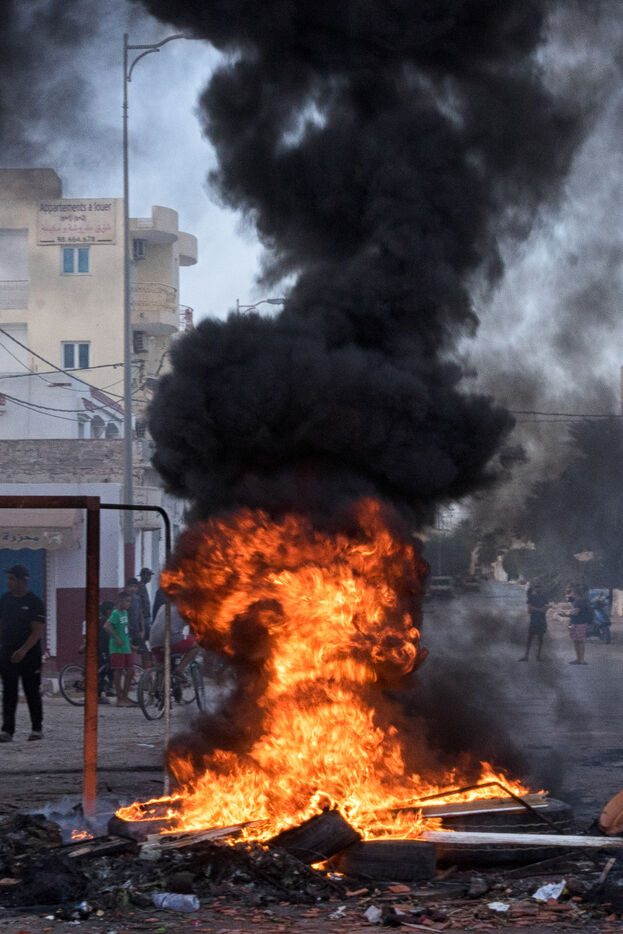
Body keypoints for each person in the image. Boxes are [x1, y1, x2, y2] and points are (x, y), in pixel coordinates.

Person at [0, 565, 46, 742]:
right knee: (9, 692)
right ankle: (7, 730)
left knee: (31, 691)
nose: (9, 582)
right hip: (8, 653)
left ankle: (36, 729)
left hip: (30, 655)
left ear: (22, 581)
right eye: (8, 579)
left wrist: (23, 650)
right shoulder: (5, 600)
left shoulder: (34, 602)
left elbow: (37, 631)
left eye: (12, 579)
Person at [148, 601, 201, 677]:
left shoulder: (163, 606)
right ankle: (180, 669)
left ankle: (159, 682)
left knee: (162, 670)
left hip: (153, 641)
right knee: (196, 646)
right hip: (171, 640)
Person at [104, 591, 136, 706]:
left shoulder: (125, 613)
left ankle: (125, 696)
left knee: (130, 671)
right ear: (121, 601)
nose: (129, 604)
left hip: (126, 647)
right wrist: (116, 638)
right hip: (117, 648)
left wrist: (130, 644)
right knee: (118, 671)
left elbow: (124, 630)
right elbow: (106, 626)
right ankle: (119, 698)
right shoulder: (115, 613)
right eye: (127, 601)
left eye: (130, 601)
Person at [518, 582, 550, 661]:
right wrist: (539, 609)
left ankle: (535, 656)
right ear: (535, 589)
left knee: (539, 639)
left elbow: (545, 609)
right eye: (537, 587)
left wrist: (535, 609)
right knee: (530, 638)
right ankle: (528, 656)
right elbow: (529, 610)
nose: (538, 589)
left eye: (539, 587)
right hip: (536, 620)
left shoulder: (543, 597)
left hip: (540, 620)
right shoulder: (532, 597)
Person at [563, 583, 591, 665]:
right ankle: (578, 659)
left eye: (569, 593)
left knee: (580, 641)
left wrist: (565, 615)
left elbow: (575, 613)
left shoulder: (579, 602)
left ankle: (581, 660)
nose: (567, 595)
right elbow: (574, 613)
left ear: (574, 593)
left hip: (580, 624)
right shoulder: (575, 602)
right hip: (574, 624)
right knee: (575, 641)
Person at [125, 578, 146, 653]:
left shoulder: (138, 598)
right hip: (127, 630)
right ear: (127, 587)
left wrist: (143, 630)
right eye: (131, 586)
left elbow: (141, 614)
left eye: (135, 586)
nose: (133, 589)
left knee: (142, 651)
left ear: (137, 588)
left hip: (136, 630)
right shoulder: (123, 599)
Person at [137, 568, 154, 640]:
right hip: (144, 616)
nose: (150, 577)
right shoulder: (140, 587)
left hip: (146, 616)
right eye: (149, 575)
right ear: (144, 576)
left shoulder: (142, 586)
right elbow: (141, 603)